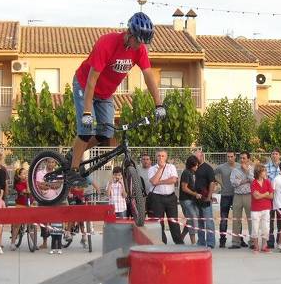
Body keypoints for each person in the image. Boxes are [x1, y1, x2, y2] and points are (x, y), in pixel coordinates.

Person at [68, 12, 165, 187]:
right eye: (137, 40)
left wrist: (159, 104)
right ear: (129, 32)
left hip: (105, 94)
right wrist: (88, 112)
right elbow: (91, 81)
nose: (139, 45)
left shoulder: (139, 50)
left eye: (143, 42)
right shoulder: (107, 43)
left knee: (106, 133)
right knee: (86, 129)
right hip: (84, 85)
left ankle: (73, 152)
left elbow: (149, 76)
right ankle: (73, 170)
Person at [147, 149, 182, 244]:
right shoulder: (152, 169)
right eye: (159, 156)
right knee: (159, 223)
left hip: (170, 198)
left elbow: (173, 180)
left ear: (166, 157)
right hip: (157, 198)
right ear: (156, 157)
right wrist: (160, 169)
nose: (161, 158)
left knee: (174, 221)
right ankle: (162, 242)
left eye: (163, 156)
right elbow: (153, 181)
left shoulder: (171, 167)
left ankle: (179, 242)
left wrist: (160, 182)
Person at [229, 151, 253, 249]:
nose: (242, 160)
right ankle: (236, 242)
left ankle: (252, 242)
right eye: (241, 158)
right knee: (236, 219)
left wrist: (247, 172)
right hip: (237, 196)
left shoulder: (252, 169)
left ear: (248, 159)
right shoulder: (235, 170)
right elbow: (233, 183)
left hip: (249, 196)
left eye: (244, 158)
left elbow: (254, 181)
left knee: (251, 219)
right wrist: (245, 180)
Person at [194, 149, 216, 248]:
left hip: (206, 198)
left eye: (196, 156)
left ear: (202, 156)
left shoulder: (208, 168)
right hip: (197, 199)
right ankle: (201, 242)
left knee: (209, 221)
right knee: (200, 222)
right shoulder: (194, 168)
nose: (195, 158)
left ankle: (211, 243)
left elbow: (212, 182)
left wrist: (209, 196)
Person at [215, 151, 237, 248]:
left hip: (237, 195)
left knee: (237, 219)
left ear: (235, 157)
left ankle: (238, 240)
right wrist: (220, 183)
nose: (230, 158)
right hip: (225, 195)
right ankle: (222, 240)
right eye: (228, 156)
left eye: (231, 156)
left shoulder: (240, 166)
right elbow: (213, 174)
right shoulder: (221, 167)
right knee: (224, 219)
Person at [250, 164, 274, 253]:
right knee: (255, 228)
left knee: (266, 228)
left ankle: (264, 246)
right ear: (259, 172)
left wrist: (261, 195)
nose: (265, 173)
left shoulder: (267, 182)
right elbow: (256, 197)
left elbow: (271, 196)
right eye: (264, 171)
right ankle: (256, 246)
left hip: (266, 208)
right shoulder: (253, 183)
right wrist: (265, 194)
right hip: (255, 209)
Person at [179, 155, 201, 244]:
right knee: (193, 219)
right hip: (186, 200)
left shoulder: (194, 173)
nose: (197, 167)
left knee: (190, 219)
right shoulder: (186, 173)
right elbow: (184, 188)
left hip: (193, 199)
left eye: (197, 165)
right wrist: (195, 194)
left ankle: (181, 237)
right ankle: (193, 243)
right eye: (195, 165)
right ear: (190, 165)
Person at [265, 148, 281, 248]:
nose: (274, 155)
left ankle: (280, 241)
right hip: (269, 197)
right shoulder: (266, 167)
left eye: (276, 154)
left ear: (280, 156)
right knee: (270, 220)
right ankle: (270, 242)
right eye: (273, 154)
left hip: (280, 198)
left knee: (280, 220)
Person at [10, 167, 30, 251]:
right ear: (19, 176)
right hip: (20, 205)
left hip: (30, 205)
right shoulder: (18, 185)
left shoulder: (29, 182)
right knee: (17, 225)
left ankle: (33, 242)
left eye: (26, 173)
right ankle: (13, 242)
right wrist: (28, 184)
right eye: (24, 174)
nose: (26, 175)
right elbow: (28, 192)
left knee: (33, 224)